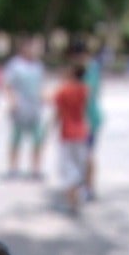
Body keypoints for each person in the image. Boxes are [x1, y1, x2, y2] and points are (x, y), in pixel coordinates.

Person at [3, 37, 45, 180]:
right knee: (16, 139)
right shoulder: (15, 65)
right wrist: (12, 100)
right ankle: (13, 168)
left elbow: (40, 85)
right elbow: (7, 84)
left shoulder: (38, 65)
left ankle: (35, 169)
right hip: (20, 106)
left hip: (35, 107)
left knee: (38, 139)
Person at [54, 64, 89, 215]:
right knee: (78, 165)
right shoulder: (84, 89)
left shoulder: (63, 90)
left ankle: (72, 202)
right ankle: (79, 195)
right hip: (81, 130)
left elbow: (59, 112)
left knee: (67, 168)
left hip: (67, 132)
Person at [71, 42, 103, 201]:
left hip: (88, 118)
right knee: (83, 154)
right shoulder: (90, 68)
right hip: (84, 118)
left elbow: (86, 94)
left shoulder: (90, 69)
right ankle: (84, 186)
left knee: (87, 154)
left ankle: (88, 187)